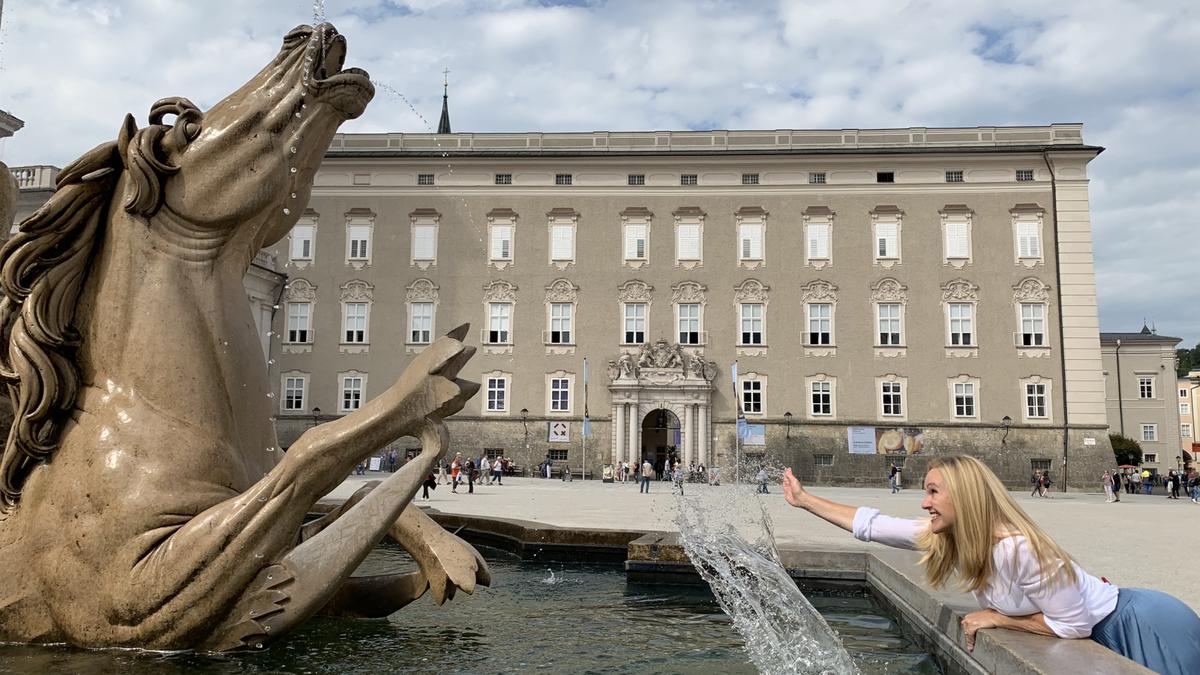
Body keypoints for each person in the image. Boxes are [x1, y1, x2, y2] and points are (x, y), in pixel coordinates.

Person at [781, 455, 1200, 673]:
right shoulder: (955, 538)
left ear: (965, 498)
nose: (924, 502)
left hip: (1141, 625)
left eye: (932, 492)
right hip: (1116, 626)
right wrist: (804, 501)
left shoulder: (1017, 547)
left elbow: (1075, 626)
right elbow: (874, 526)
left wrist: (998, 619)